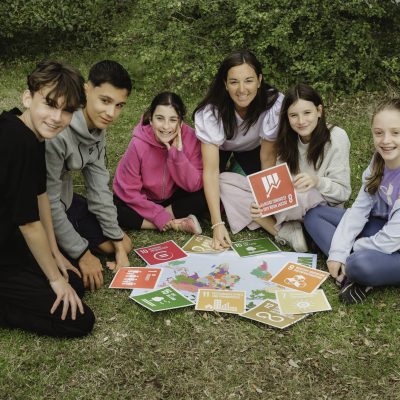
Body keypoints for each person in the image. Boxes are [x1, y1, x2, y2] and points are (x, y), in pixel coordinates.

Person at [0, 60, 95, 337]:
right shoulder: (15, 140)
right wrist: (54, 279)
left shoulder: (32, 133)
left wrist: (55, 256)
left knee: (75, 282)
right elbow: (29, 224)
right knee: (79, 321)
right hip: (7, 248)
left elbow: (41, 196)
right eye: (50, 104)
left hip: (10, 241)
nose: (57, 117)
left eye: (66, 110)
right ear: (28, 97)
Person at [46, 60, 132, 291]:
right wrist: (82, 253)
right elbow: (47, 202)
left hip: (66, 200)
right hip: (40, 207)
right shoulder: (57, 129)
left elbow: (99, 186)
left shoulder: (98, 127)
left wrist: (118, 243)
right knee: (78, 277)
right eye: (105, 101)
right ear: (86, 89)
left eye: (119, 105)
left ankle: (77, 235)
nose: (111, 113)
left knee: (122, 243)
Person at [304, 98, 400, 304]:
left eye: (395, 132)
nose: (386, 140)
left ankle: (357, 274)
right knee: (315, 216)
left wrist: (349, 248)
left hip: (394, 240)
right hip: (383, 227)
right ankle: (353, 273)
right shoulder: (378, 161)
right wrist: (338, 252)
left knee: (359, 264)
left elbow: (392, 239)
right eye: (379, 133)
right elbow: (359, 210)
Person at [193, 49, 283, 249]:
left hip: (256, 149)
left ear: (260, 80)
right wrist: (217, 224)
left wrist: (271, 208)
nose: (242, 89)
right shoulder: (211, 112)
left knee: (262, 188)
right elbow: (211, 171)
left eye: (249, 80)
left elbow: (267, 158)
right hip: (221, 148)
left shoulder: (273, 104)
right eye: (234, 82)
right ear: (225, 84)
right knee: (203, 194)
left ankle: (265, 220)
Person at [247, 83, 351, 251]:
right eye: (293, 115)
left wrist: (317, 181)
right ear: (287, 117)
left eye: (307, 113)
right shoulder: (287, 140)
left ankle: (278, 227)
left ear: (319, 111)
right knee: (228, 182)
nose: (301, 121)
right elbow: (281, 187)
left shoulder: (337, 137)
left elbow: (343, 193)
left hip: (319, 207)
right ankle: (288, 230)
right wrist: (265, 200)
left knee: (304, 196)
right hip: (289, 202)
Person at [113, 92, 207, 233]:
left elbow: (194, 185)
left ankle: (161, 218)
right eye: (160, 119)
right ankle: (174, 224)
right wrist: (158, 215)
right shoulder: (138, 143)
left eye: (173, 120)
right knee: (113, 209)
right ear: (151, 119)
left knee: (205, 195)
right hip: (143, 199)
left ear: (181, 122)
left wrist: (177, 155)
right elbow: (129, 191)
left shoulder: (191, 138)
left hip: (173, 196)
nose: (166, 126)